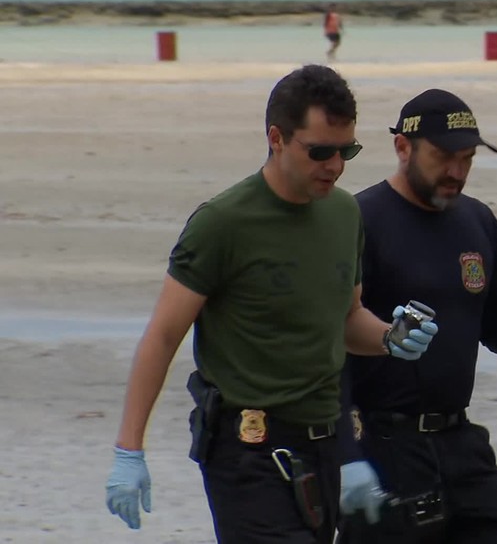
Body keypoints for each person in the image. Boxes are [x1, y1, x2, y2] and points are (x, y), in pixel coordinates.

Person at [103, 64, 439, 544]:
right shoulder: (223, 223)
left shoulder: (345, 215)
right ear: (277, 138)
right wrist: (128, 452)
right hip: (248, 453)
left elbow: (345, 320)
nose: (335, 166)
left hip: (323, 450)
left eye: (347, 151)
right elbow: (161, 337)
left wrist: (390, 337)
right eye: (320, 151)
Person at [337, 88, 497, 543]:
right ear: (403, 147)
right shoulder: (359, 220)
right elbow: (328, 347)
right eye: (443, 157)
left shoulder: (477, 221)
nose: (456, 172)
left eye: (467, 159)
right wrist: (346, 456)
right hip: (383, 445)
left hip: (460, 442)